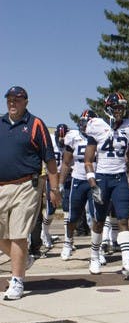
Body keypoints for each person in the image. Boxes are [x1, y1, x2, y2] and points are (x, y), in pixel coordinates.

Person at [0, 86, 60, 300]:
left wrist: (54, 188)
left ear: (26, 102)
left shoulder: (35, 124)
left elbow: (50, 159)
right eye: (9, 99)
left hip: (27, 184)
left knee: (17, 234)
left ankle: (16, 281)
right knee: (2, 235)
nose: (12, 103)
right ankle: (23, 259)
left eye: (17, 100)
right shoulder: (0, 123)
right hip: (2, 186)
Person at [84, 92, 129, 280]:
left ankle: (126, 262)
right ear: (108, 108)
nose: (119, 111)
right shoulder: (96, 125)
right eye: (116, 107)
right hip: (102, 178)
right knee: (99, 220)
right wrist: (93, 184)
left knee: (123, 220)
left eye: (121, 107)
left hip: (120, 179)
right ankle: (94, 256)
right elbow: (88, 160)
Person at [59, 110, 97, 260]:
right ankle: (68, 243)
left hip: (95, 180)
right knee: (73, 215)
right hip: (79, 179)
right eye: (83, 122)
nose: (85, 126)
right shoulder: (73, 137)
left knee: (96, 216)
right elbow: (66, 162)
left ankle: (97, 249)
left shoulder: (101, 137)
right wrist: (61, 182)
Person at [41, 123, 70, 250]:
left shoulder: (70, 141)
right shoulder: (50, 141)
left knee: (67, 209)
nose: (61, 141)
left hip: (66, 177)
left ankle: (68, 240)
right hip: (51, 177)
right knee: (51, 209)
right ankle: (45, 233)